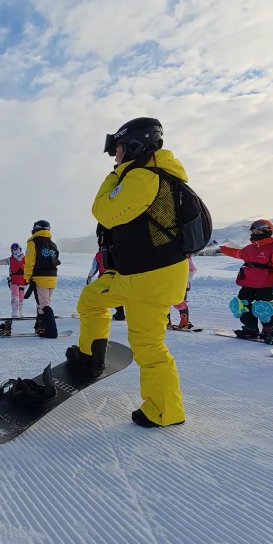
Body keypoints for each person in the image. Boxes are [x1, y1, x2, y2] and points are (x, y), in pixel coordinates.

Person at [66, 117, 190, 428]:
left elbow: (104, 212)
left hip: (151, 278)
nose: (115, 158)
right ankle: (90, 358)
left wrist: (113, 176)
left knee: (148, 345)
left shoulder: (144, 177)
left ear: (134, 145)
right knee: (91, 299)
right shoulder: (149, 175)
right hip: (135, 274)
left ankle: (164, 411)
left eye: (117, 150)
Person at [219, 220, 273, 344]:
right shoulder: (249, 248)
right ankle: (250, 328)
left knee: (263, 307)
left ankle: (268, 329)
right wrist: (223, 249)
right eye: (253, 231)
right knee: (242, 305)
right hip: (247, 283)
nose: (254, 233)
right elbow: (237, 253)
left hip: (265, 284)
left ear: (268, 231)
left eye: (258, 231)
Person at [24, 220, 60, 338]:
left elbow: (29, 261)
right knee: (43, 303)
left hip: (40, 278)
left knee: (44, 305)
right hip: (52, 278)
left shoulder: (33, 242)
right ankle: (40, 327)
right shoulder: (52, 244)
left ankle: (51, 332)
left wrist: (27, 277)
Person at [0, 243, 27, 318]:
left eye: (16, 249)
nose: (15, 251)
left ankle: (20, 310)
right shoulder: (10, 259)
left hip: (22, 279)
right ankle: (15, 311)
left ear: (20, 249)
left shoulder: (25, 258)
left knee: (21, 295)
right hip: (14, 280)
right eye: (13, 250)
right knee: (14, 295)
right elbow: (1, 262)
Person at [87, 247, 125, 321]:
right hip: (116, 277)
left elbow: (95, 267)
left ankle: (99, 312)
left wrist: (90, 276)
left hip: (103, 278)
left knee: (100, 294)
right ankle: (120, 313)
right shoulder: (116, 252)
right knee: (115, 294)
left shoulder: (98, 255)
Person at [168, 255, 197, 329]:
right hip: (167, 283)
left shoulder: (185, 256)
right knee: (165, 302)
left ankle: (184, 323)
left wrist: (183, 278)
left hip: (181, 284)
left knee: (181, 303)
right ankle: (166, 321)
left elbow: (192, 269)